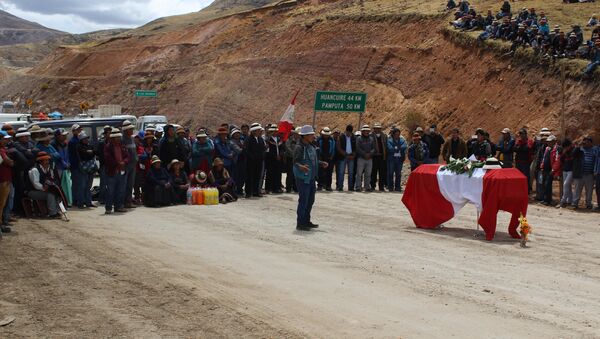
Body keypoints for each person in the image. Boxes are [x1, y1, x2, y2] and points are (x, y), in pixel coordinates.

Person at [293, 125, 326, 231]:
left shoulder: (311, 146)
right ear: (304, 136)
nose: (313, 136)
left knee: (310, 200)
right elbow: (295, 161)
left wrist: (321, 163)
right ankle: (300, 223)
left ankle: (306, 221)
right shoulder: (299, 147)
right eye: (310, 134)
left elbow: (313, 160)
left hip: (311, 178)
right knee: (303, 200)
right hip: (303, 178)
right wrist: (301, 167)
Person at [26, 151, 61, 220]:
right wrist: (44, 188)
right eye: (45, 160)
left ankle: (57, 211)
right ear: (40, 161)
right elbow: (36, 184)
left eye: (48, 160)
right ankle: (53, 213)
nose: (47, 162)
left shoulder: (48, 169)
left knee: (56, 192)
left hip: (43, 190)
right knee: (50, 195)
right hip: (32, 191)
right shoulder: (34, 170)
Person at [103, 128, 129, 215]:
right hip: (112, 171)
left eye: (119, 137)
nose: (118, 139)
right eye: (116, 137)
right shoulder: (108, 146)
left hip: (122, 171)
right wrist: (118, 163)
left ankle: (119, 206)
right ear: (112, 138)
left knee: (121, 190)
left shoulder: (122, 146)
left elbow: (127, 156)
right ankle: (108, 207)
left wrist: (124, 162)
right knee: (110, 191)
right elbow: (108, 159)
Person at [572, 136, 596, 210]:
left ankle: (588, 204)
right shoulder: (579, 150)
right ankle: (575, 203)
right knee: (577, 190)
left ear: (591, 143)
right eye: (585, 141)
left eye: (588, 141)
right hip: (580, 174)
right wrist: (578, 145)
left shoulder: (594, 150)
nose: (585, 143)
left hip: (590, 174)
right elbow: (573, 154)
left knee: (589, 191)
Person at [244, 123, 266, 198]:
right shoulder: (248, 139)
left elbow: (263, 148)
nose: (259, 132)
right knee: (249, 177)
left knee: (257, 176)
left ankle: (255, 191)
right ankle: (248, 192)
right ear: (253, 131)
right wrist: (252, 157)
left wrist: (261, 156)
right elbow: (246, 150)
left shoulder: (260, 139)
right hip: (251, 161)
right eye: (258, 130)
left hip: (259, 161)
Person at [51, 128, 72, 206]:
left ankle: (66, 201)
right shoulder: (53, 144)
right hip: (57, 168)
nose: (65, 137)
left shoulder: (65, 143)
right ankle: (59, 202)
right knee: (58, 185)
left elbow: (67, 155)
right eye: (62, 136)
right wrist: (64, 164)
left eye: (65, 135)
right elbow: (57, 157)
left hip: (66, 167)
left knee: (66, 185)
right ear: (57, 136)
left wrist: (68, 163)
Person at [76, 132, 97, 208]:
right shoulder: (79, 146)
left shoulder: (90, 145)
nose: (86, 140)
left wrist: (90, 152)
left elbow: (95, 151)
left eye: (86, 138)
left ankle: (88, 202)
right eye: (84, 139)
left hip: (91, 167)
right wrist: (89, 152)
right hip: (83, 168)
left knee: (88, 186)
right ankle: (80, 202)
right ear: (81, 140)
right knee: (82, 186)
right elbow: (84, 155)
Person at [121, 120, 138, 208]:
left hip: (133, 165)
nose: (132, 130)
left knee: (130, 184)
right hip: (126, 165)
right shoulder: (122, 139)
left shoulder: (131, 138)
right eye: (130, 129)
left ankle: (128, 201)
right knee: (124, 184)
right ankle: (123, 202)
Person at [0, 131, 14, 233]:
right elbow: (8, 162)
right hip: (2, 180)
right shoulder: (1, 151)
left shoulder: (3, 149)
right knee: (1, 203)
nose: (6, 141)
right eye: (4, 139)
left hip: (5, 179)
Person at [336, 124, 356, 192]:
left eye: (350, 133)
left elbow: (356, 147)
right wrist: (345, 154)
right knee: (341, 172)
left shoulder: (353, 137)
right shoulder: (341, 137)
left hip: (351, 157)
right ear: (346, 131)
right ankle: (340, 187)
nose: (349, 134)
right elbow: (338, 147)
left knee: (351, 172)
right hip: (343, 157)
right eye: (348, 133)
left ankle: (350, 187)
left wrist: (353, 155)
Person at [355, 125, 375, 192]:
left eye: (368, 131)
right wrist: (364, 154)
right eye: (365, 131)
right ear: (362, 131)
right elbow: (358, 148)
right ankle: (358, 187)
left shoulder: (371, 139)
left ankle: (367, 187)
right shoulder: (359, 138)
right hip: (361, 158)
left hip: (369, 158)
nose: (366, 132)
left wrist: (370, 154)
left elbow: (374, 148)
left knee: (368, 174)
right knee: (359, 173)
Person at [386, 128, 407, 192]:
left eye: (398, 134)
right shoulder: (389, 140)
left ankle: (397, 187)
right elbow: (390, 148)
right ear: (393, 134)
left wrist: (396, 148)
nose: (397, 136)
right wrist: (399, 148)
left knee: (398, 173)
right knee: (390, 173)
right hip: (391, 159)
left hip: (399, 160)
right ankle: (390, 187)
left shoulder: (402, 140)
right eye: (396, 134)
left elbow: (405, 146)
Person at [96, 125, 112, 204]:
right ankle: (101, 198)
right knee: (103, 183)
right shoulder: (102, 143)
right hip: (104, 165)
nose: (109, 134)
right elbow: (99, 155)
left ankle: (109, 198)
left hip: (111, 166)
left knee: (110, 183)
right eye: (108, 133)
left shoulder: (112, 142)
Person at [68, 124, 83, 208]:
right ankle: (75, 200)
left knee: (79, 183)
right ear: (73, 131)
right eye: (77, 130)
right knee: (76, 184)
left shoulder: (78, 140)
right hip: (75, 165)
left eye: (79, 129)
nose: (79, 131)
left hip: (78, 164)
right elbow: (74, 154)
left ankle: (78, 199)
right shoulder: (73, 141)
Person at [265, 126, 284, 194]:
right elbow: (267, 150)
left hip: (279, 159)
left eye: (276, 131)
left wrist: (280, 155)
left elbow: (282, 148)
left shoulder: (279, 139)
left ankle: (277, 187)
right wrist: (275, 156)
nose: (275, 132)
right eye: (274, 131)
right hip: (271, 159)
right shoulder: (268, 140)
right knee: (270, 173)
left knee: (278, 173)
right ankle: (269, 188)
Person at [370, 123, 388, 191]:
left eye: (379, 128)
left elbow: (386, 146)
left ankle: (381, 186)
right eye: (376, 128)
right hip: (374, 156)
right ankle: (372, 186)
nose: (378, 129)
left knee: (382, 172)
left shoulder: (384, 136)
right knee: (373, 172)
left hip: (382, 156)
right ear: (374, 129)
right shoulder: (371, 136)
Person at [540, 135, 557, 205]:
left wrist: (553, 169)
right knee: (544, 184)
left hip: (550, 169)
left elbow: (556, 160)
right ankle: (544, 199)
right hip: (545, 169)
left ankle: (548, 200)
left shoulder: (555, 150)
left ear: (554, 142)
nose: (548, 143)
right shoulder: (547, 149)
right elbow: (544, 158)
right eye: (548, 142)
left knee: (548, 184)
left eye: (550, 142)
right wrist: (542, 166)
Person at [317, 127, 335, 191]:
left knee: (329, 173)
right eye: (325, 134)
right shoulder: (319, 139)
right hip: (321, 157)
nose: (326, 136)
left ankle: (328, 186)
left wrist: (331, 156)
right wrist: (320, 158)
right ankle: (320, 185)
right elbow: (318, 149)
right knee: (320, 172)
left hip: (329, 158)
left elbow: (333, 149)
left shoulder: (331, 140)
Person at [559, 139, 575, 207]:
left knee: (565, 184)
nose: (565, 148)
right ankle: (569, 200)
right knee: (568, 186)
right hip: (565, 169)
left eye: (566, 147)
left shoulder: (574, 150)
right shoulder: (565, 151)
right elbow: (561, 159)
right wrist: (564, 153)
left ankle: (563, 201)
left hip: (571, 170)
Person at [284, 128, 299, 193]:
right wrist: (294, 154)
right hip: (290, 158)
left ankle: (295, 187)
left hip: (297, 159)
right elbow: (288, 148)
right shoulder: (289, 140)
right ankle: (288, 188)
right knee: (290, 173)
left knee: (296, 174)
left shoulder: (299, 140)